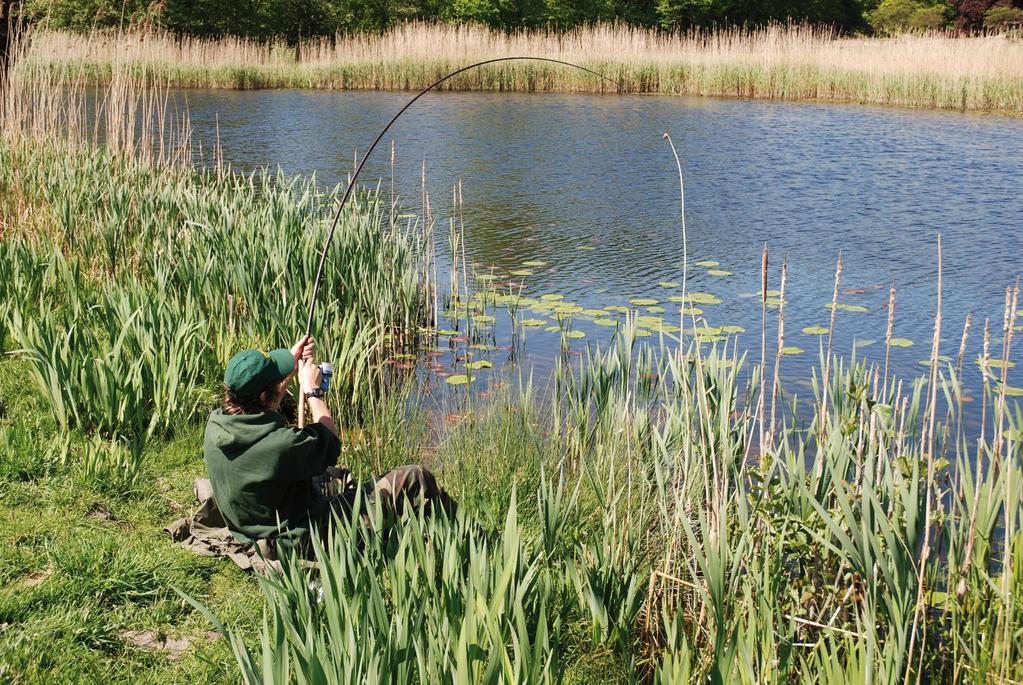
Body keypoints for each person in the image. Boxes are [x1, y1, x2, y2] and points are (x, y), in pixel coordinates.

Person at [203, 336, 454, 554]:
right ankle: (468, 540)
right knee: (416, 477)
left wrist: (291, 364)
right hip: (299, 539)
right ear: (262, 396)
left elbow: (268, 399)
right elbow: (330, 441)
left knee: (334, 475)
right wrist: (313, 391)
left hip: (255, 529)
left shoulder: (217, 424)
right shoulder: (279, 446)